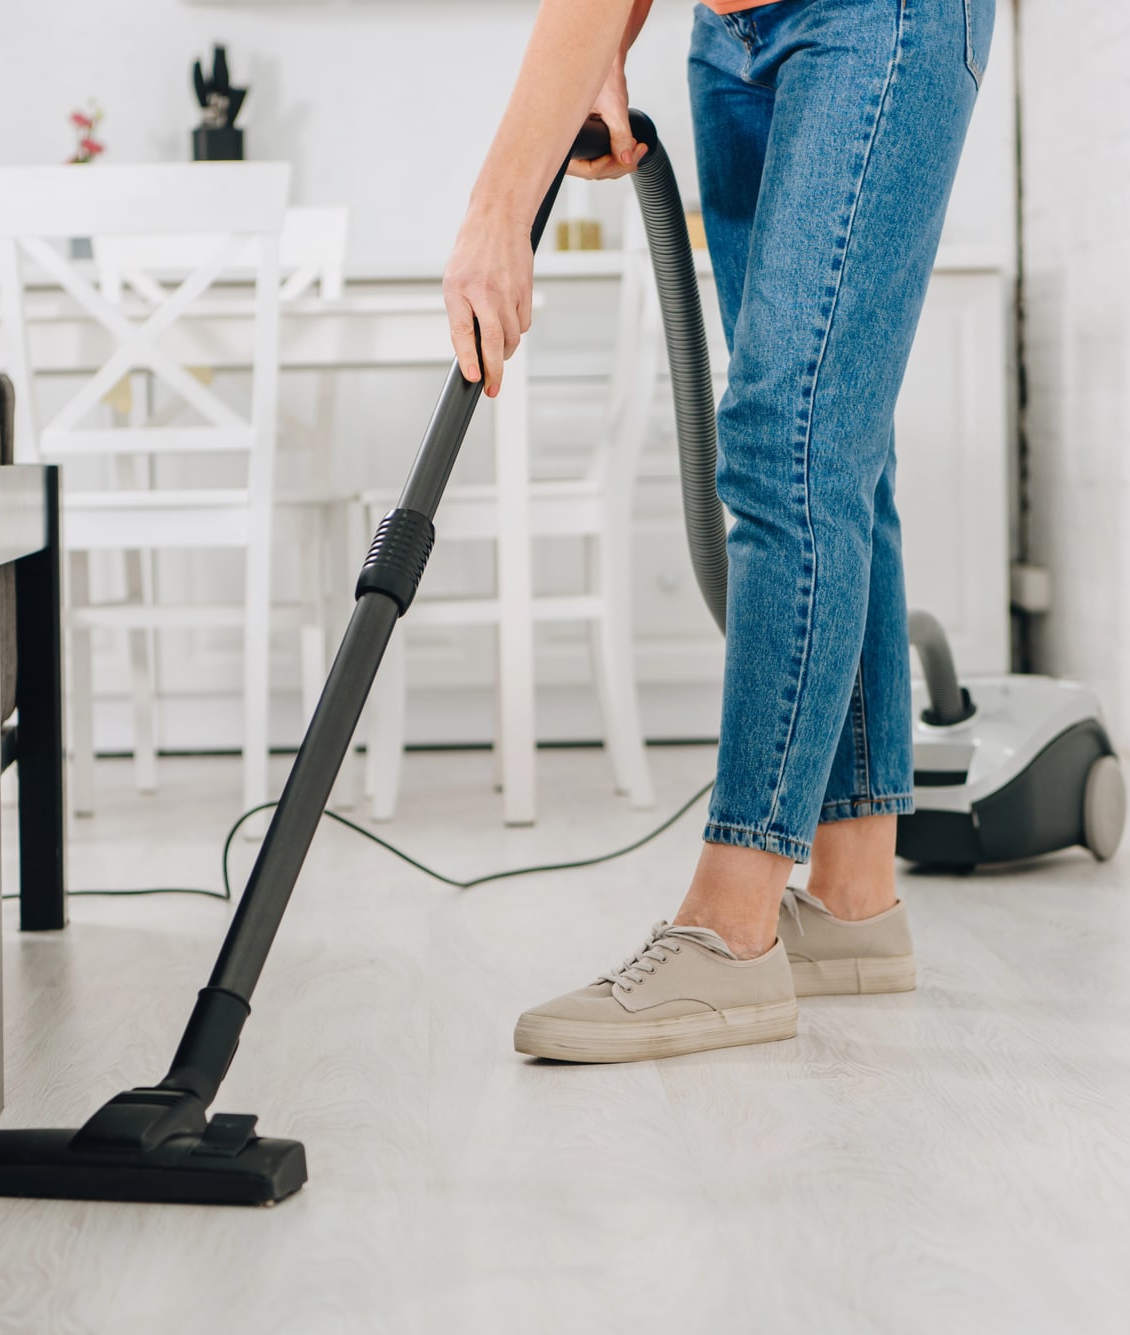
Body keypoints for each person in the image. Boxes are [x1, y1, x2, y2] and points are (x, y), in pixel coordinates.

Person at [442, 0, 994, 1062]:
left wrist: (494, 209)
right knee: (834, 447)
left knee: (789, 438)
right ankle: (852, 903)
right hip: (731, 33)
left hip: (879, 19)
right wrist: (602, 53)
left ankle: (727, 931)